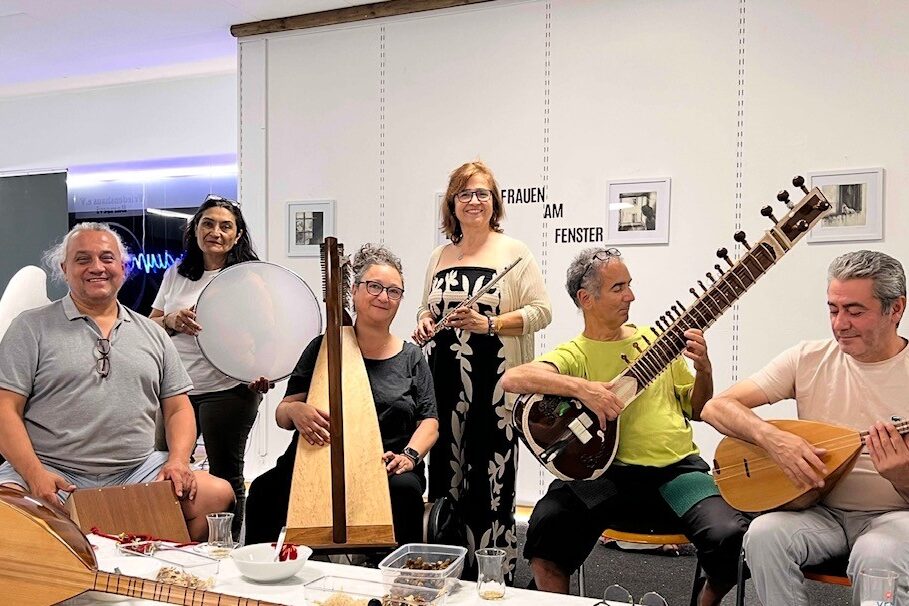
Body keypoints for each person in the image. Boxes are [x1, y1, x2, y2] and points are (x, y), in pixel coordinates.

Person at [501, 247, 748, 605]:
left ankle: (703, 601)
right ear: (586, 298)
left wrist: (704, 369)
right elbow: (515, 378)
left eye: (629, 285)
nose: (630, 295)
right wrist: (586, 389)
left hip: (676, 475)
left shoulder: (656, 344)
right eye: (618, 287)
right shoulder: (576, 353)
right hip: (607, 479)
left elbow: (697, 408)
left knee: (731, 534)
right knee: (545, 524)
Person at [0, 223, 234, 540]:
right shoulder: (30, 327)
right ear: (64, 268)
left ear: (123, 267)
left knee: (216, 494)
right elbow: (5, 410)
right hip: (52, 472)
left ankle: (155, 574)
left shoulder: (152, 333)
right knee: (6, 513)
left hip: (137, 472)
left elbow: (178, 409)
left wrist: (178, 461)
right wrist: (35, 474)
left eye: (107, 258)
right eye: (83, 259)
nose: (97, 267)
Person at [701, 249, 909, 605]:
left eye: (855, 311)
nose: (840, 323)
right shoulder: (808, 358)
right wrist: (775, 440)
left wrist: (903, 476)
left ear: (896, 309)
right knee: (765, 534)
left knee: (877, 554)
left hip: (893, 516)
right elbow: (716, 407)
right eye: (833, 309)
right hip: (818, 510)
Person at [245, 243, 439, 546]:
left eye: (394, 291)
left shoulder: (411, 357)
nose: (383, 297)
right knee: (263, 491)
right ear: (353, 290)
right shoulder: (321, 347)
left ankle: (399, 584)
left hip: (386, 466)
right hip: (315, 461)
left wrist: (409, 456)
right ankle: (266, 579)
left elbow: (430, 421)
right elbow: (283, 413)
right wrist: (296, 411)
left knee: (404, 492)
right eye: (374, 286)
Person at [412, 160, 551, 581]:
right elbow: (426, 306)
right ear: (452, 204)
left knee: (490, 479)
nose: (473, 201)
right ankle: (446, 569)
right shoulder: (440, 254)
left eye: (482, 194)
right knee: (445, 478)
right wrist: (422, 318)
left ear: (495, 203)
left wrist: (488, 324)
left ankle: (492, 576)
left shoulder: (514, 252)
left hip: (496, 386)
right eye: (465, 194)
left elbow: (541, 312)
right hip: (444, 383)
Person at [149, 194, 267, 539]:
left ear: (238, 235)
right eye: (208, 223)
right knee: (165, 469)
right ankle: (172, 542)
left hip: (228, 391)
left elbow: (270, 336)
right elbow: (151, 325)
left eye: (225, 226)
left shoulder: (249, 278)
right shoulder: (177, 274)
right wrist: (171, 319)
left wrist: (260, 371)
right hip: (175, 391)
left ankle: (226, 547)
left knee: (227, 474)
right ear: (196, 230)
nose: (216, 232)